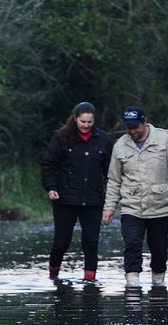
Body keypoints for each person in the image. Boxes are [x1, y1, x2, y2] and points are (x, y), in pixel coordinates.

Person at [101, 105, 168, 288]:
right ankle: (132, 287)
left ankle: (158, 284)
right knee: (132, 246)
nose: (132, 131)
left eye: (135, 127)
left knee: (159, 249)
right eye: (128, 127)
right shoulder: (120, 145)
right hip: (131, 206)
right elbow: (114, 180)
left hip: (159, 206)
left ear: (144, 122)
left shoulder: (164, 139)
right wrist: (109, 207)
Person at [40, 101, 113, 282]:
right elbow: (48, 164)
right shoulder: (61, 138)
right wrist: (51, 187)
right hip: (65, 199)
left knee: (91, 243)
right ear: (75, 119)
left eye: (89, 122)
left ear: (94, 120)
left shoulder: (103, 140)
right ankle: (53, 276)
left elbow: (110, 172)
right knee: (61, 242)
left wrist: (112, 199)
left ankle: (90, 282)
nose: (86, 126)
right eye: (83, 122)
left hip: (93, 199)